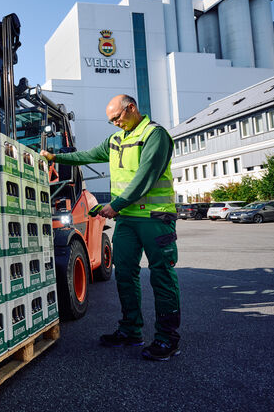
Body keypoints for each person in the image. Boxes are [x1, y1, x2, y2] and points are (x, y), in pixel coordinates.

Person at [40, 94, 181, 361]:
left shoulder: (155, 135)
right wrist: (55, 157)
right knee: (125, 273)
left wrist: (115, 205)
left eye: (117, 117)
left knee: (161, 275)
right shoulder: (116, 140)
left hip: (155, 218)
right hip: (128, 220)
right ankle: (131, 330)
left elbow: (146, 176)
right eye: (111, 120)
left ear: (132, 108)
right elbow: (88, 155)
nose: (115, 123)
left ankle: (167, 339)